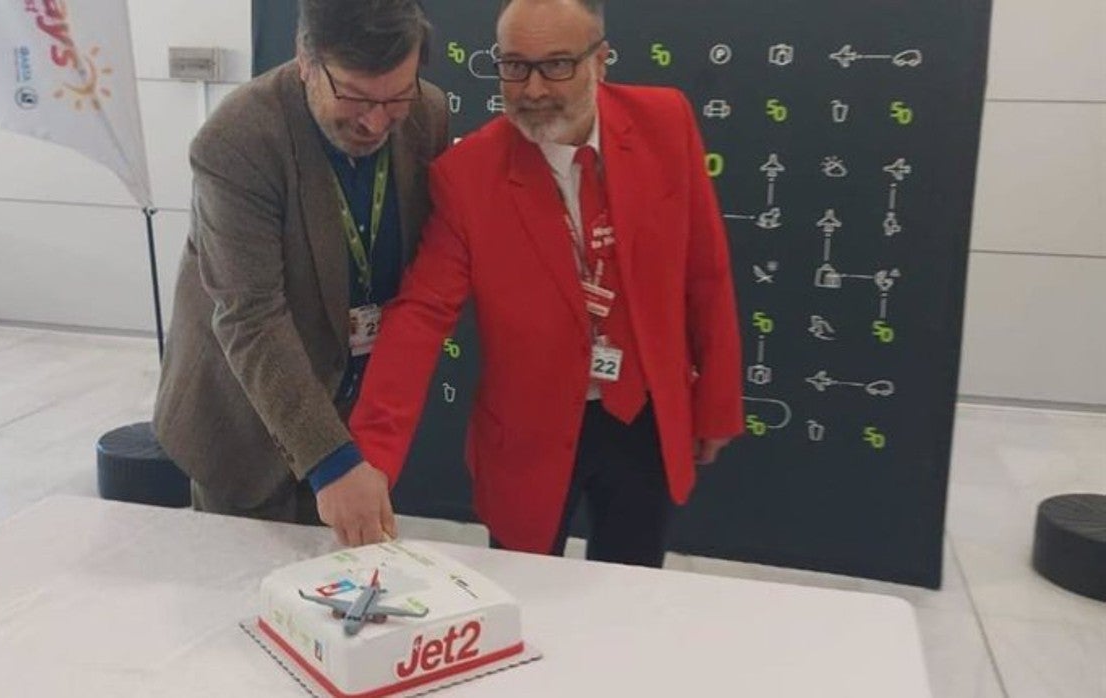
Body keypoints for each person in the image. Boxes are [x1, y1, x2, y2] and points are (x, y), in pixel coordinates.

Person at [342, 0, 743, 567]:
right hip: (528, 433)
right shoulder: (468, 176)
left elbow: (706, 270)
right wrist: (370, 457)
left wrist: (718, 402)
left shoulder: (665, 122)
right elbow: (422, 314)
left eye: (556, 65)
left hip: (645, 416)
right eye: (514, 66)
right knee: (529, 596)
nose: (531, 89)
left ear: (599, 61)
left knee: (633, 585)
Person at [152, 0, 450, 545]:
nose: (376, 122)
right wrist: (331, 460)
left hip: (355, 415)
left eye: (395, 97)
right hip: (241, 425)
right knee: (240, 605)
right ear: (306, 60)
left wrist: (354, 449)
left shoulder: (427, 115)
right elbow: (250, 317)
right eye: (356, 98)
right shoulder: (238, 140)